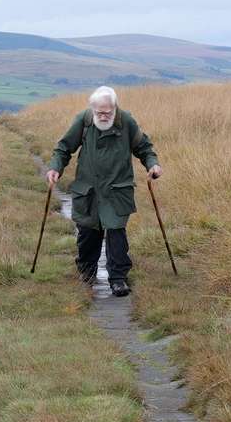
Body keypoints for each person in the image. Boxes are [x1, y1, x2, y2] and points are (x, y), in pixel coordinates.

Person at [46, 85, 162, 297]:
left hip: (117, 190)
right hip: (88, 189)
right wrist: (55, 168)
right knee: (88, 233)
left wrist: (153, 165)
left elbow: (143, 147)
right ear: (92, 109)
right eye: (99, 112)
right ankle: (87, 274)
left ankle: (118, 279)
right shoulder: (84, 120)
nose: (104, 115)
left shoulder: (126, 121)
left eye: (108, 112)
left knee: (116, 233)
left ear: (115, 108)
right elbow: (64, 148)